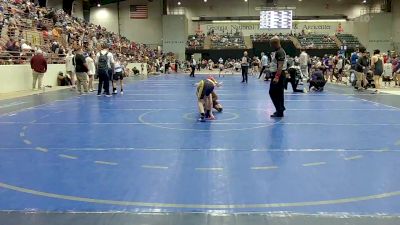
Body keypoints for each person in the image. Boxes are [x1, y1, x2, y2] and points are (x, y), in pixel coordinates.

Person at [269, 36, 287, 118]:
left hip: (278, 75)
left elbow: (280, 66)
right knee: (277, 93)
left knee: (274, 93)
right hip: (277, 74)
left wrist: (276, 77)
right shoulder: (277, 51)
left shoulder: (280, 52)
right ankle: (280, 110)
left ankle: (280, 110)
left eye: (271, 44)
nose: (270, 46)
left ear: (275, 43)